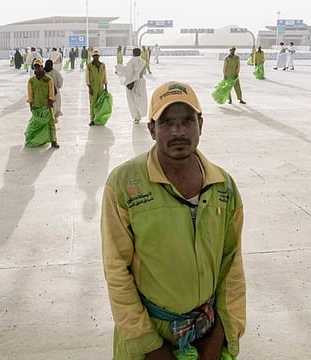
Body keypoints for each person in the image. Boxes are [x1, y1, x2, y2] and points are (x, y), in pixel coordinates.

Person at [101, 80, 246, 360]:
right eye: (167, 122)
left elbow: (232, 264)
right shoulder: (124, 184)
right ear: (152, 129)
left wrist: (221, 335)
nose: (178, 131)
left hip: (207, 331)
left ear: (200, 124)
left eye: (187, 120)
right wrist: (150, 345)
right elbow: (116, 270)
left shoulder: (223, 186)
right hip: (149, 336)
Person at [27, 59, 59, 148]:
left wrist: (50, 103)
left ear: (42, 67)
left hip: (46, 106)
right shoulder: (31, 81)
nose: (37, 69)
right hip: (36, 106)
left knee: (50, 123)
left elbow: (51, 93)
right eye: (35, 67)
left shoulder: (49, 80)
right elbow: (30, 94)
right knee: (35, 124)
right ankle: (34, 138)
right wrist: (31, 105)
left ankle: (54, 141)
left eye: (39, 67)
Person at [124, 47, 148, 124]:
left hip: (132, 83)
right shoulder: (143, 62)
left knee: (132, 100)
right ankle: (141, 114)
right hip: (140, 82)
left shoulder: (130, 62)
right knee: (141, 99)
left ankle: (136, 118)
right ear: (140, 53)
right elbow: (144, 73)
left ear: (133, 53)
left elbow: (126, 72)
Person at [85, 49, 107, 126]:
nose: (96, 57)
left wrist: (106, 86)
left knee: (100, 103)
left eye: (97, 56)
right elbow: (87, 77)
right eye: (94, 56)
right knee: (93, 103)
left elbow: (104, 76)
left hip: (101, 87)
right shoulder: (89, 66)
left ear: (99, 56)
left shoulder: (102, 65)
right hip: (93, 88)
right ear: (92, 57)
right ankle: (92, 119)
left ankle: (99, 118)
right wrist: (89, 87)